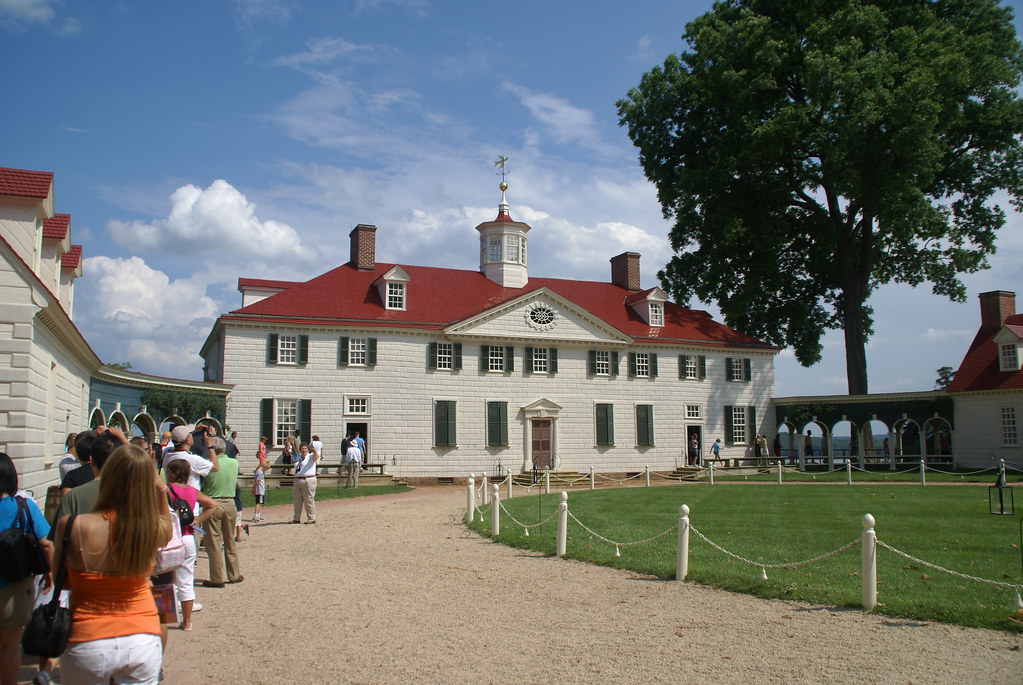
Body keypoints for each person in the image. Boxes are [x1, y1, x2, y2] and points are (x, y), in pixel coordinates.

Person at [53, 444, 172, 685]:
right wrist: (159, 486)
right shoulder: (149, 528)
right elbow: (166, 523)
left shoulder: (72, 525)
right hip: (141, 634)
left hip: (88, 635)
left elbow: (60, 580)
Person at [0, 453, 54, 685]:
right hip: (14, 584)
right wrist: (51, 572)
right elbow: (45, 543)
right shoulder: (24, 506)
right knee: (10, 645)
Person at [164, 459, 218, 632]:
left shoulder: (166, 490)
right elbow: (212, 505)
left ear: (173, 473)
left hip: (169, 536)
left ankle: (165, 616)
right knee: (186, 579)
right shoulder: (193, 491)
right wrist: (197, 520)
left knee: (165, 579)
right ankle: (187, 621)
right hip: (187, 535)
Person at [201, 437, 243, 588]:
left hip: (213, 502)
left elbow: (203, 483)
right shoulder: (234, 463)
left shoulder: (209, 465)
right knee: (229, 540)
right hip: (230, 502)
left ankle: (217, 577)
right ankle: (234, 574)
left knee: (213, 542)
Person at [161, 424, 218, 490]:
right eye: (190, 434)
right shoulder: (193, 459)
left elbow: (176, 440)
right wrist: (210, 445)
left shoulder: (166, 452)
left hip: (173, 496)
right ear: (188, 440)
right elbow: (215, 467)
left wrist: (193, 431)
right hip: (190, 498)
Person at [291, 442, 319, 523]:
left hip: (308, 479)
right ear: (300, 450)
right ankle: (296, 518)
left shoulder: (310, 456)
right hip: (298, 479)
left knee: (308, 500)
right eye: (302, 449)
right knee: (297, 501)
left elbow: (315, 457)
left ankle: (311, 518)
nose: (304, 450)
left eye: (305, 448)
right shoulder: (298, 458)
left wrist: (314, 451)